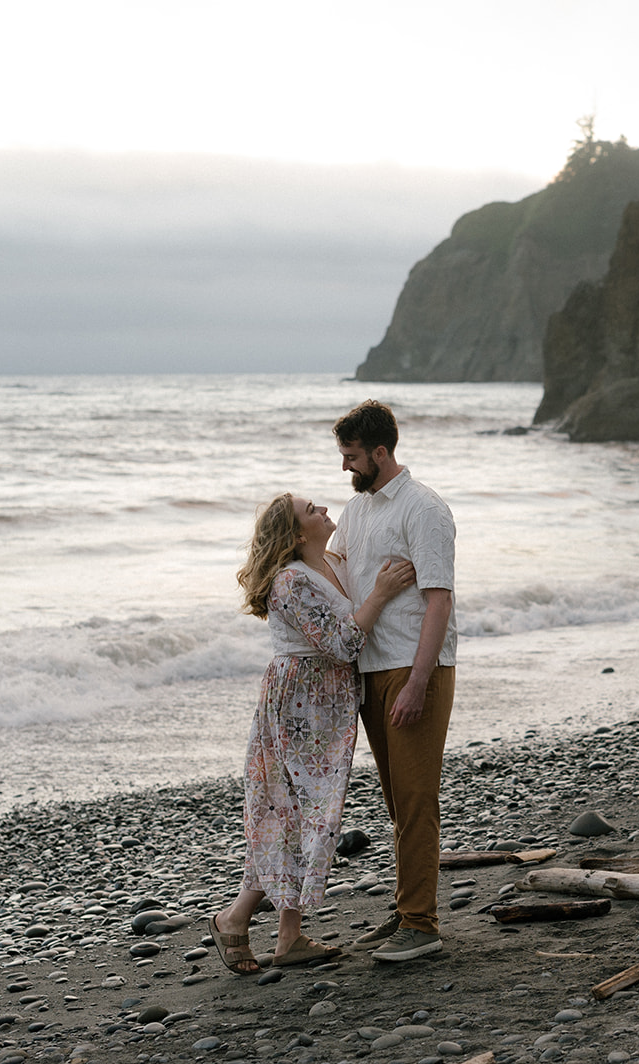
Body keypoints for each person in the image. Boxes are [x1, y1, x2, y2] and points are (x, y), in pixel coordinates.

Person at [208, 492, 415, 974]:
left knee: (302, 812)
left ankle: (288, 936)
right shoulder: (289, 582)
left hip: (324, 704)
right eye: (311, 511)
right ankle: (234, 918)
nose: (324, 510)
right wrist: (381, 594)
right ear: (298, 534)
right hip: (301, 701)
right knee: (295, 812)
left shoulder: (328, 567)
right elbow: (343, 643)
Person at [329, 400, 457, 964]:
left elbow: (438, 600)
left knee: (415, 796)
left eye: (352, 457)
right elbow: (330, 572)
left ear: (380, 453)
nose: (345, 468)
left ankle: (421, 925)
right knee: (394, 799)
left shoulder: (423, 507)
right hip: (370, 668)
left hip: (412, 666)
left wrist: (418, 682)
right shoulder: (355, 512)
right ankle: (407, 908)